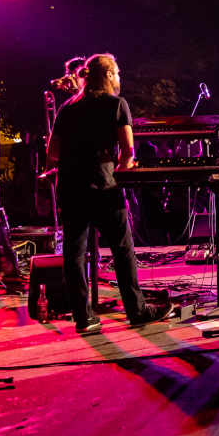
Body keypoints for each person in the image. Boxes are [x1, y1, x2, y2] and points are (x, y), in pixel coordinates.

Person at [48, 54, 168, 333]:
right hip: (104, 187)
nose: (119, 78)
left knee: (73, 254)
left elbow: (53, 153)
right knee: (122, 250)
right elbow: (128, 153)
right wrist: (126, 166)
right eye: (117, 73)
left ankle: (83, 317)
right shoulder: (117, 105)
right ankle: (137, 311)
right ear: (110, 75)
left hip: (70, 188)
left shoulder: (68, 107)